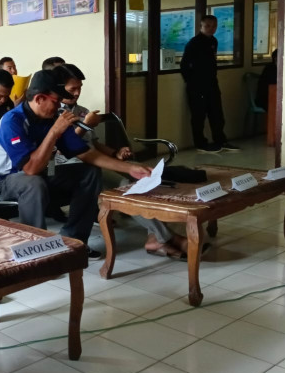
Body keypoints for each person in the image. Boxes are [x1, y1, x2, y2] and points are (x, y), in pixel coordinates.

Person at [0, 70, 151, 258]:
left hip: (43, 174)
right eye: (56, 100)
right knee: (33, 182)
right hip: (4, 181)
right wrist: (54, 132)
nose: (60, 105)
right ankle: (35, 249)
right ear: (40, 98)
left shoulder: (52, 117)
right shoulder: (12, 121)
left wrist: (131, 168)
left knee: (89, 171)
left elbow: (86, 153)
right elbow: (30, 169)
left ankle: (74, 239)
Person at [53, 64, 188, 258]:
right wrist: (84, 125)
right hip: (70, 168)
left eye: (80, 87)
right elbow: (62, 147)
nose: (77, 93)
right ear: (59, 87)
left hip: (94, 163)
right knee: (125, 187)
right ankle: (165, 238)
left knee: (136, 185)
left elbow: (94, 144)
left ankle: (157, 238)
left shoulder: (82, 111)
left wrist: (115, 152)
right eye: (72, 88)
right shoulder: (54, 112)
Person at [180, 15, 239, 153]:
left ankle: (221, 141)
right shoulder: (194, 43)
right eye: (207, 26)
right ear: (201, 26)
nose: (211, 29)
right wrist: (192, 82)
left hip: (212, 84)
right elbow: (184, 65)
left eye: (214, 26)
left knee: (217, 114)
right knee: (199, 115)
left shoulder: (213, 41)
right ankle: (201, 144)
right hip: (197, 86)